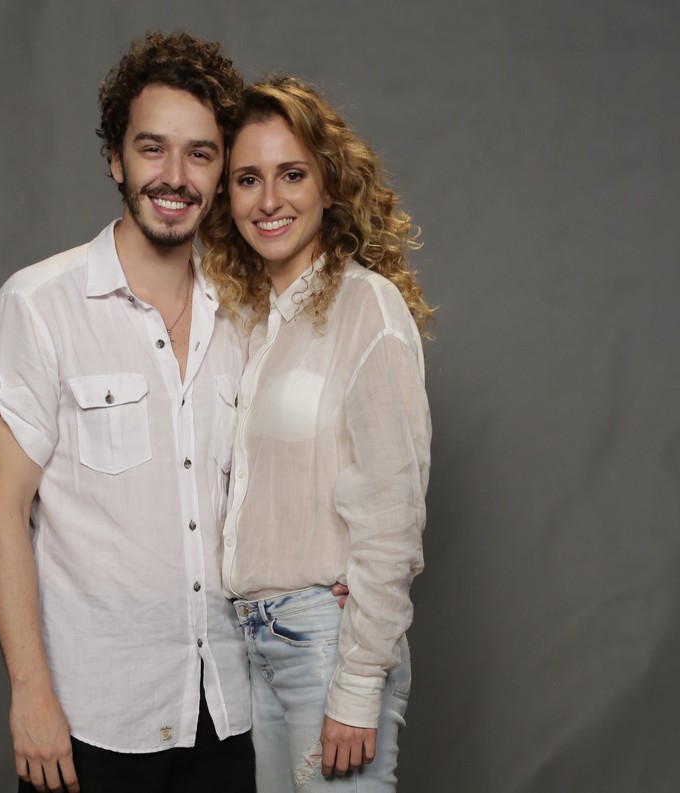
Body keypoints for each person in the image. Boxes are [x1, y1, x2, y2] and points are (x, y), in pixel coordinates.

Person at [0, 33, 256, 793]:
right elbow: (0, 507)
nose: (174, 176)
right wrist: (30, 692)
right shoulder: (38, 305)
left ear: (222, 167)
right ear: (115, 158)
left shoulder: (247, 314)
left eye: (199, 154)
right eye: (152, 148)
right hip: (92, 719)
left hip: (231, 710)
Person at [200, 76, 434, 792]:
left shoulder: (369, 308)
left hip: (326, 649)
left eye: (291, 174)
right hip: (255, 646)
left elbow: (394, 511)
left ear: (329, 184)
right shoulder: (253, 324)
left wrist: (359, 681)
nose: (268, 200)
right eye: (247, 179)